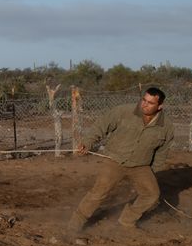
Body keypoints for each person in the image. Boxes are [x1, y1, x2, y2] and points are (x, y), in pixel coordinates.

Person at [68, 87, 174, 233]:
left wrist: (153, 172)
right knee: (99, 192)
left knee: (152, 194)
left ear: (160, 106)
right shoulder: (123, 112)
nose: (144, 104)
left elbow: (161, 152)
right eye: (144, 100)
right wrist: (87, 143)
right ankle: (75, 224)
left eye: (150, 103)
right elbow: (100, 126)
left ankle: (127, 221)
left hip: (141, 166)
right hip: (114, 160)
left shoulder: (166, 127)